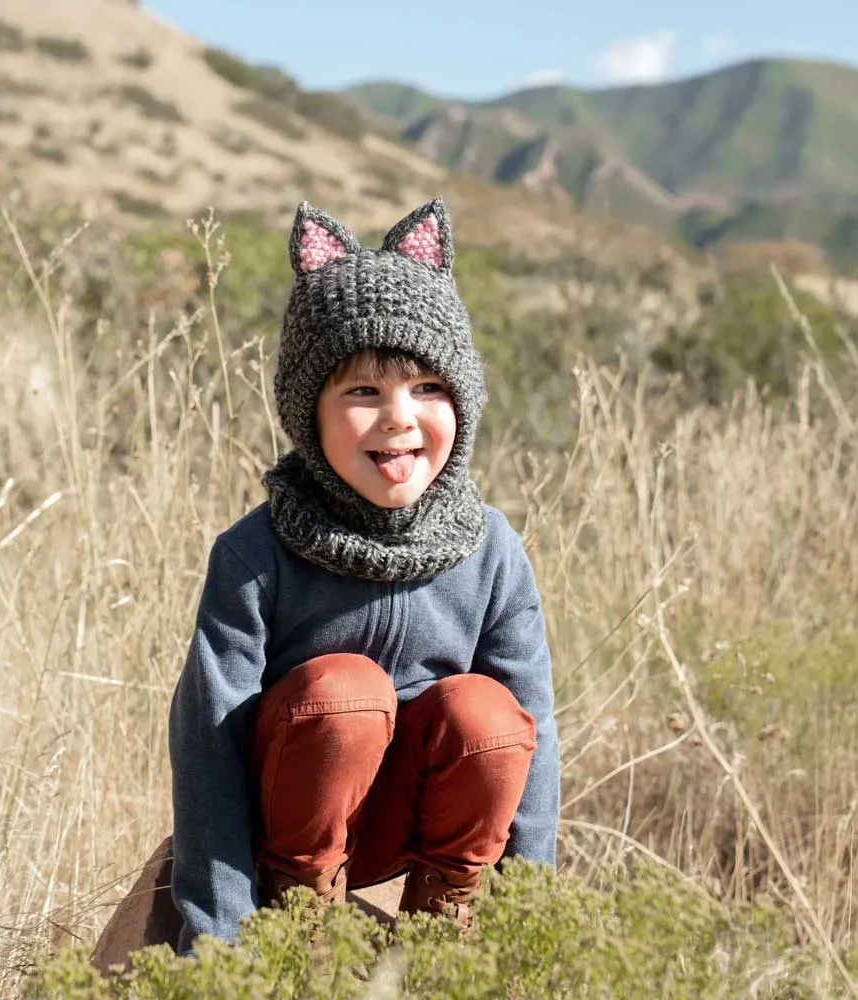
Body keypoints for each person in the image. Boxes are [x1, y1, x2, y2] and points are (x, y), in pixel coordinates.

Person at [167, 198, 560, 955]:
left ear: (464, 402)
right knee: (344, 692)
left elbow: (534, 737)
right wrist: (216, 935)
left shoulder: (490, 550)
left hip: (421, 823)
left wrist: (530, 923)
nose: (398, 419)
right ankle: (300, 919)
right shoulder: (258, 554)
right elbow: (206, 750)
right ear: (307, 412)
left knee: (488, 713)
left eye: (428, 388)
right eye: (362, 392)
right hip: (290, 823)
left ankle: (443, 927)